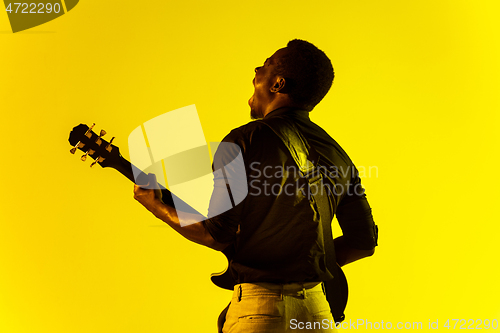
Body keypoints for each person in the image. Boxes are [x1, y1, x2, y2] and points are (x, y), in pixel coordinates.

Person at [133, 39, 378, 332]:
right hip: (317, 313)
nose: (256, 68)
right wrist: (306, 263)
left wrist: (156, 206)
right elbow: (363, 242)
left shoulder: (244, 140)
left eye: (266, 63)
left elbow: (218, 235)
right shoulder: (338, 154)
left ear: (278, 83)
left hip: (260, 312)